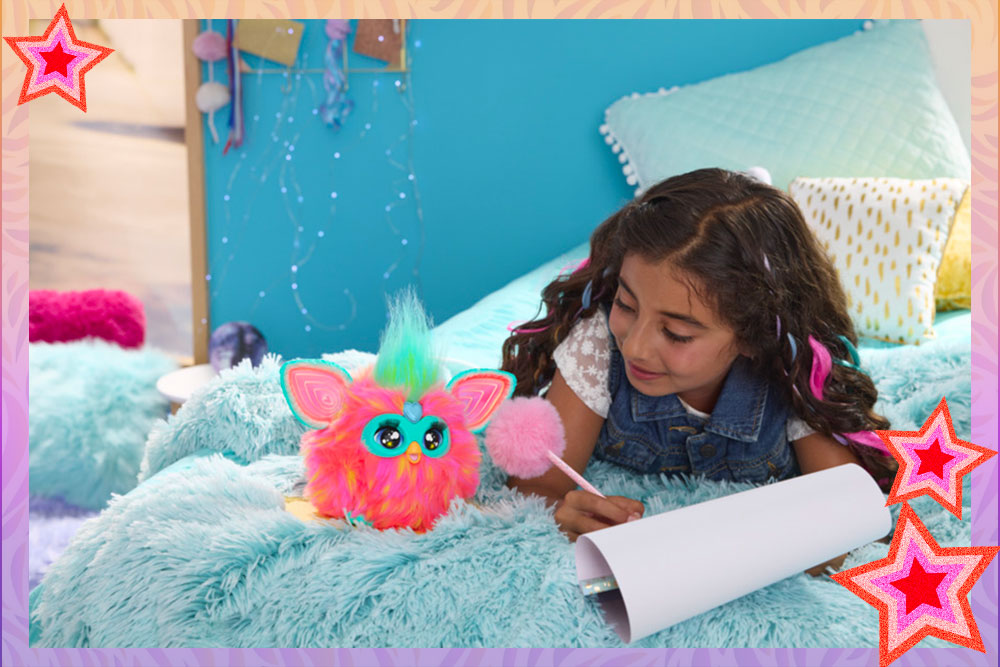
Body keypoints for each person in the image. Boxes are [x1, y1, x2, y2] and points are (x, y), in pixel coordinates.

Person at [500, 168, 898, 558]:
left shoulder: (791, 369)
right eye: (625, 305)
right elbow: (539, 487)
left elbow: (851, 507)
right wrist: (563, 512)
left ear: (752, 335)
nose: (635, 347)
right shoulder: (598, 345)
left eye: (676, 333)